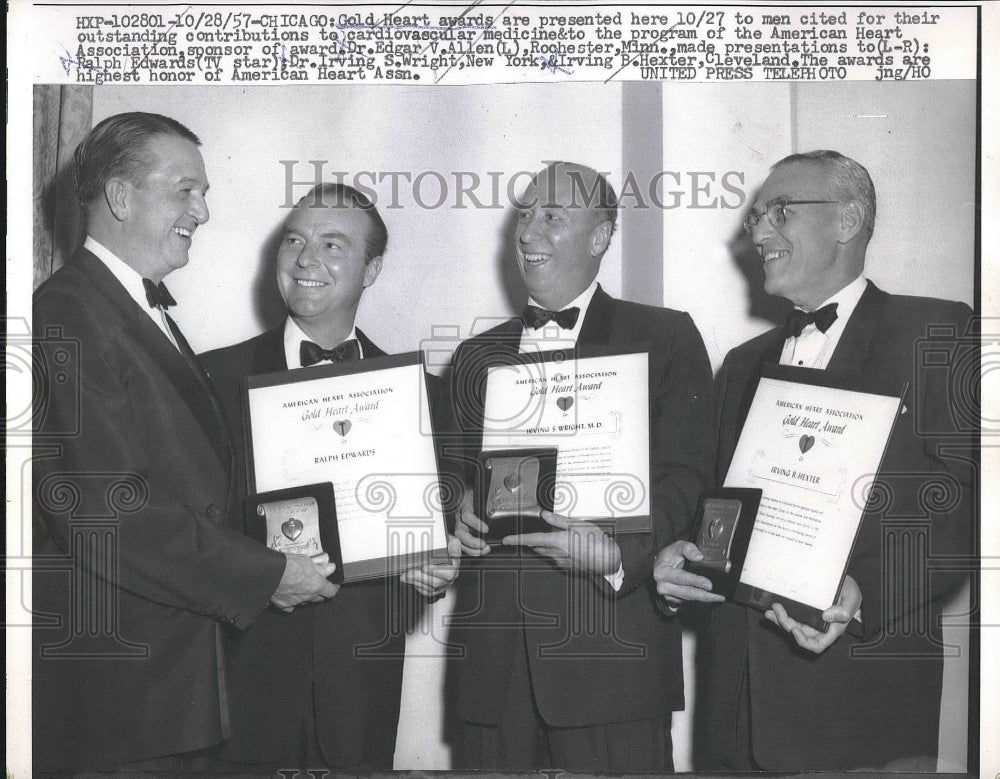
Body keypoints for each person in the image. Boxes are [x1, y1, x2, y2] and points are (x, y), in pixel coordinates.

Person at [32, 112, 337, 772]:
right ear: (120, 195)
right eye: (184, 190)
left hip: (177, 685)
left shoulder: (135, 308)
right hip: (129, 696)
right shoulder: (67, 310)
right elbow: (107, 510)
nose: (202, 209)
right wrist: (268, 574)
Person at [654, 150, 975, 771]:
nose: (760, 233)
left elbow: (967, 508)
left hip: (859, 710)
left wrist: (866, 590)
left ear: (848, 220)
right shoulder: (742, 365)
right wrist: (679, 563)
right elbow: (720, 518)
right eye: (755, 219)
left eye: (781, 212)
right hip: (735, 715)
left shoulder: (935, 331)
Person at [443, 161, 714, 772]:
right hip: (493, 668)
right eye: (525, 215)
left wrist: (619, 555)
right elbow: (447, 476)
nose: (528, 231)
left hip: (614, 657)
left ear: (599, 237)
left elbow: (688, 478)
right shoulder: (473, 356)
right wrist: (453, 503)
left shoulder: (665, 337)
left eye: (552, 216)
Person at [200, 182, 460, 770]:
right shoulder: (212, 379)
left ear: (372, 270)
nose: (306, 258)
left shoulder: (423, 396)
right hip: (243, 674)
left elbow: (428, 535)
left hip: (362, 679)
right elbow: (195, 531)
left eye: (333, 244)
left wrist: (433, 562)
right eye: (294, 239)